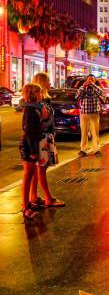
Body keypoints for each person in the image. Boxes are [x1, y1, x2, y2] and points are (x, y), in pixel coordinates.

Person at [19, 84, 64, 219]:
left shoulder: (36, 107)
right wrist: (33, 150)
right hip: (29, 146)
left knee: (31, 174)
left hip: (33, 144)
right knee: (28, 176)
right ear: (33, 94)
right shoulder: (30, 109)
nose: (41, 94)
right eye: (38, 92)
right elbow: (30, 132)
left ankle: (27, 204)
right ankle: (25, 207)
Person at [29, 72, 63, 210]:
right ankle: (48, 198)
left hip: (46, 137)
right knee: (41, 168)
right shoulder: (38, 103)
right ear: (42, 83)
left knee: (39, 169)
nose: (50, 83)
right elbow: (39, 122)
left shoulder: (44, 100)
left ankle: (34, 196)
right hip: (42, 138)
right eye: (48, 81)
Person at [75, 74, 106, 156]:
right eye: (89, 79)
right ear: (86, 80)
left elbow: (101, 93)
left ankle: (96, 149)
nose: (90, 81)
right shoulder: (82, 88)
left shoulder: (96, 89)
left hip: (94, 113)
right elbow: (77, 97)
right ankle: (83, 149)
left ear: (94, 81)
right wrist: (83, 87)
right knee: (84, 132)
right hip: (84, 113)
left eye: (92, 79)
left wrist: (92, 85)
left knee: (95, 132)